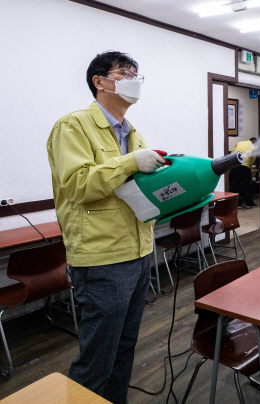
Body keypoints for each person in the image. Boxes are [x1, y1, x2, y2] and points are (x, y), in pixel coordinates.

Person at [47, 51, 168, 404]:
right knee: (97, 357)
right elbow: (78, 185)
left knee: (124, 348)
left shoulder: (133, 132)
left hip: (139, 251)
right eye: (125, 73)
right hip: (102, 259)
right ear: (99, 81)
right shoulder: (72, 126)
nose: (134, 79)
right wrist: (132, 161)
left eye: (136, 74)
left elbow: (140, 188)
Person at [230, 137, 258, 208]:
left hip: (235, 165)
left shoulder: (239, 143)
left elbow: (232, 153)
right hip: (245, 166)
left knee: (236, 185)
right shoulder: (253, 147)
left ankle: (238, 204)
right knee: (246, 185)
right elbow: (253, 158)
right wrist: (250, 165)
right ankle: (249, 203)